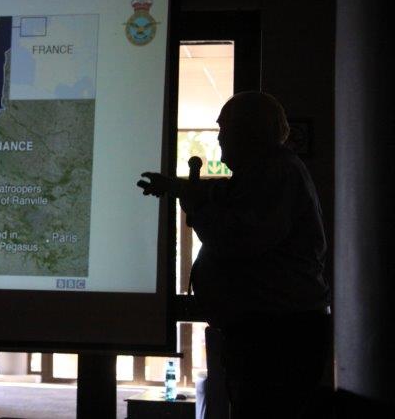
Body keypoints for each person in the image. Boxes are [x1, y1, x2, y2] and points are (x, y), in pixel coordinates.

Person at [137, 92, 331, 419]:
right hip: (269, 329)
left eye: (224, 128)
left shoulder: (277, 173)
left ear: (251, 131)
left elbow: (239, 239)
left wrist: (196, 209)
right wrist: (177, 187)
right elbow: (221, 192)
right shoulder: (264, 172)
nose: (219, 137)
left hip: (278, 335)